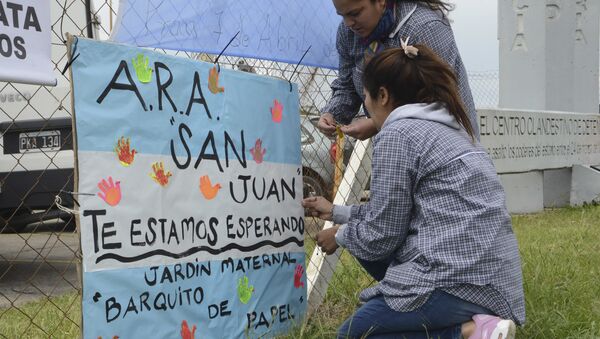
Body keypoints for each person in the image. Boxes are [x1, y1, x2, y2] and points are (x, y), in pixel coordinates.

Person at [302, 43, 525, 338]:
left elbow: (382, 234)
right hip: (494, 280)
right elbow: (390, 212)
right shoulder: (453, 128)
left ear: (382, 95)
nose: (365, 107)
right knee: (365, 238)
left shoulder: (398, 134)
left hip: (456, 280)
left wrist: (340, 235)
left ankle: (470, 332)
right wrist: (335, 212)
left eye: (365, 97)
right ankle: (471, 322)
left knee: (356, 335)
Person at [319, 0, 479, 141]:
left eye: (355, 13)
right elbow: (348, 86)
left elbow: (441, 101)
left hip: (446, 144)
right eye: (342, 15)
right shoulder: (348, 34)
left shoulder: (425, 27)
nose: (349, 23)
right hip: (397, 143)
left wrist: (376, 122)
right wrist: (332, 114)